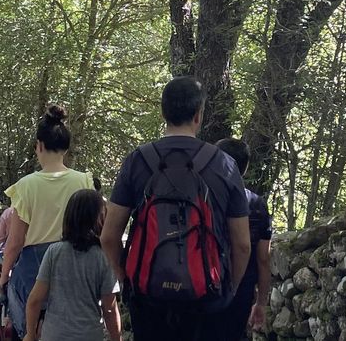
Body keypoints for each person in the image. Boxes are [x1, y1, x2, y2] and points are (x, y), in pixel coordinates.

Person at [100, 76, 251, 341]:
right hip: (208, 297)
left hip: (148, 296)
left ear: (163, 112)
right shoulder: (225, 165)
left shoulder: (138, 160)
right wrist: (231, 286)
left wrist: (128, 281)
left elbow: (109, 236)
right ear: (198, 115)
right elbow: (242, 245)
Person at [0, 106, 94, 340]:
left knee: (31, 327)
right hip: (74, 265)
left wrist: (4, 277)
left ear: (39, 146)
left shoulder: (26, 185)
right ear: (66, 147)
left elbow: (16, 241)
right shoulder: (83, 181)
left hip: (34, 266)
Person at [198, 138, 272, 341]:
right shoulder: (257, 204)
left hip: (203, 285)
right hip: (240, 293)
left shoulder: (202, 198)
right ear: (245, 167)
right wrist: (261, 302)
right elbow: (263, 259)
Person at [22, 189, 121, 341]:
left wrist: (30, 334)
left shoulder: (54, 252)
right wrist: (116, 338)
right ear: (100, 218)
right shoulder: (104, 257)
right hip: (89, 335)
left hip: (54, 334)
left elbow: (35, 300)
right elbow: (109, 308)